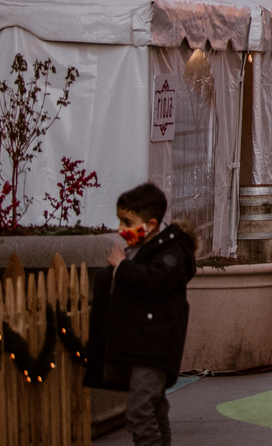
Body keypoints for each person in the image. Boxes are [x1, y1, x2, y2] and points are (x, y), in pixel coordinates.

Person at [85, 182, 196, 446]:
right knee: (153, 409)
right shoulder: (147, 248)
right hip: (144, 344)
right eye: (120, 221)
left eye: (128, 221)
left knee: (139, 412)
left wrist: (122, 266)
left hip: (154, 348)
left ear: (151, 224)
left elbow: (155, 282)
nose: (122, 229)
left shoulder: (171, 251)